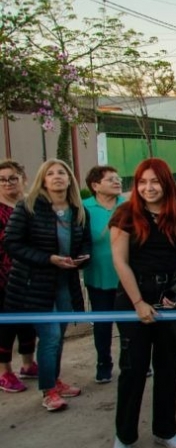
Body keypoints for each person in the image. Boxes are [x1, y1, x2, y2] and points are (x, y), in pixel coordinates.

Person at [109, 158, 176, 448]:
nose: (148, 188)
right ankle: (124, 435)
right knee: (132, 369)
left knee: (169, 367)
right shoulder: (125, 214)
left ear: (166, 183)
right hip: (134, 300)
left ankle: (165, 429)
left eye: (155, 181)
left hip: (170, 299)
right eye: (142, 182)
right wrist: (138, 303)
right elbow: (120, 262)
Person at [4, 159, 90, 411]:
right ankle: (48, 390)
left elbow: (85, 242)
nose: (56, 177)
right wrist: (49, 259)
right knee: (51, 336)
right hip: (34, 285)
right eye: (50, 173)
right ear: (43, 180)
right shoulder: (28, 207)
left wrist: (83, 258)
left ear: (70, 178)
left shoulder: (77, 209)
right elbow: (12, 243)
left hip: (66, 282)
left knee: (58, 336)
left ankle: (54, 380)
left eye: (61, 172)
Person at [83, 166, 126, 384]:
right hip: (98, 276)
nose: (117, 181)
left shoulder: (128, 206)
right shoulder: (84, 208)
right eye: (111, 179)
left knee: (129, 323)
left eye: (117, 178)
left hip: (127, 277)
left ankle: (132, 361)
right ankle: (104, 364)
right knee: (102, 324)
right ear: (95, 185)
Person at [0, 161, 36, 393]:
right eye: (2, 179)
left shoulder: (31, 205)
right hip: (3, 278)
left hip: (30, 276)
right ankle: (5, 372)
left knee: (29, 323)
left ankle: (28, 363)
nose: (8, 183)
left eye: (12, 178)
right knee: (5, 326)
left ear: (23, 178)